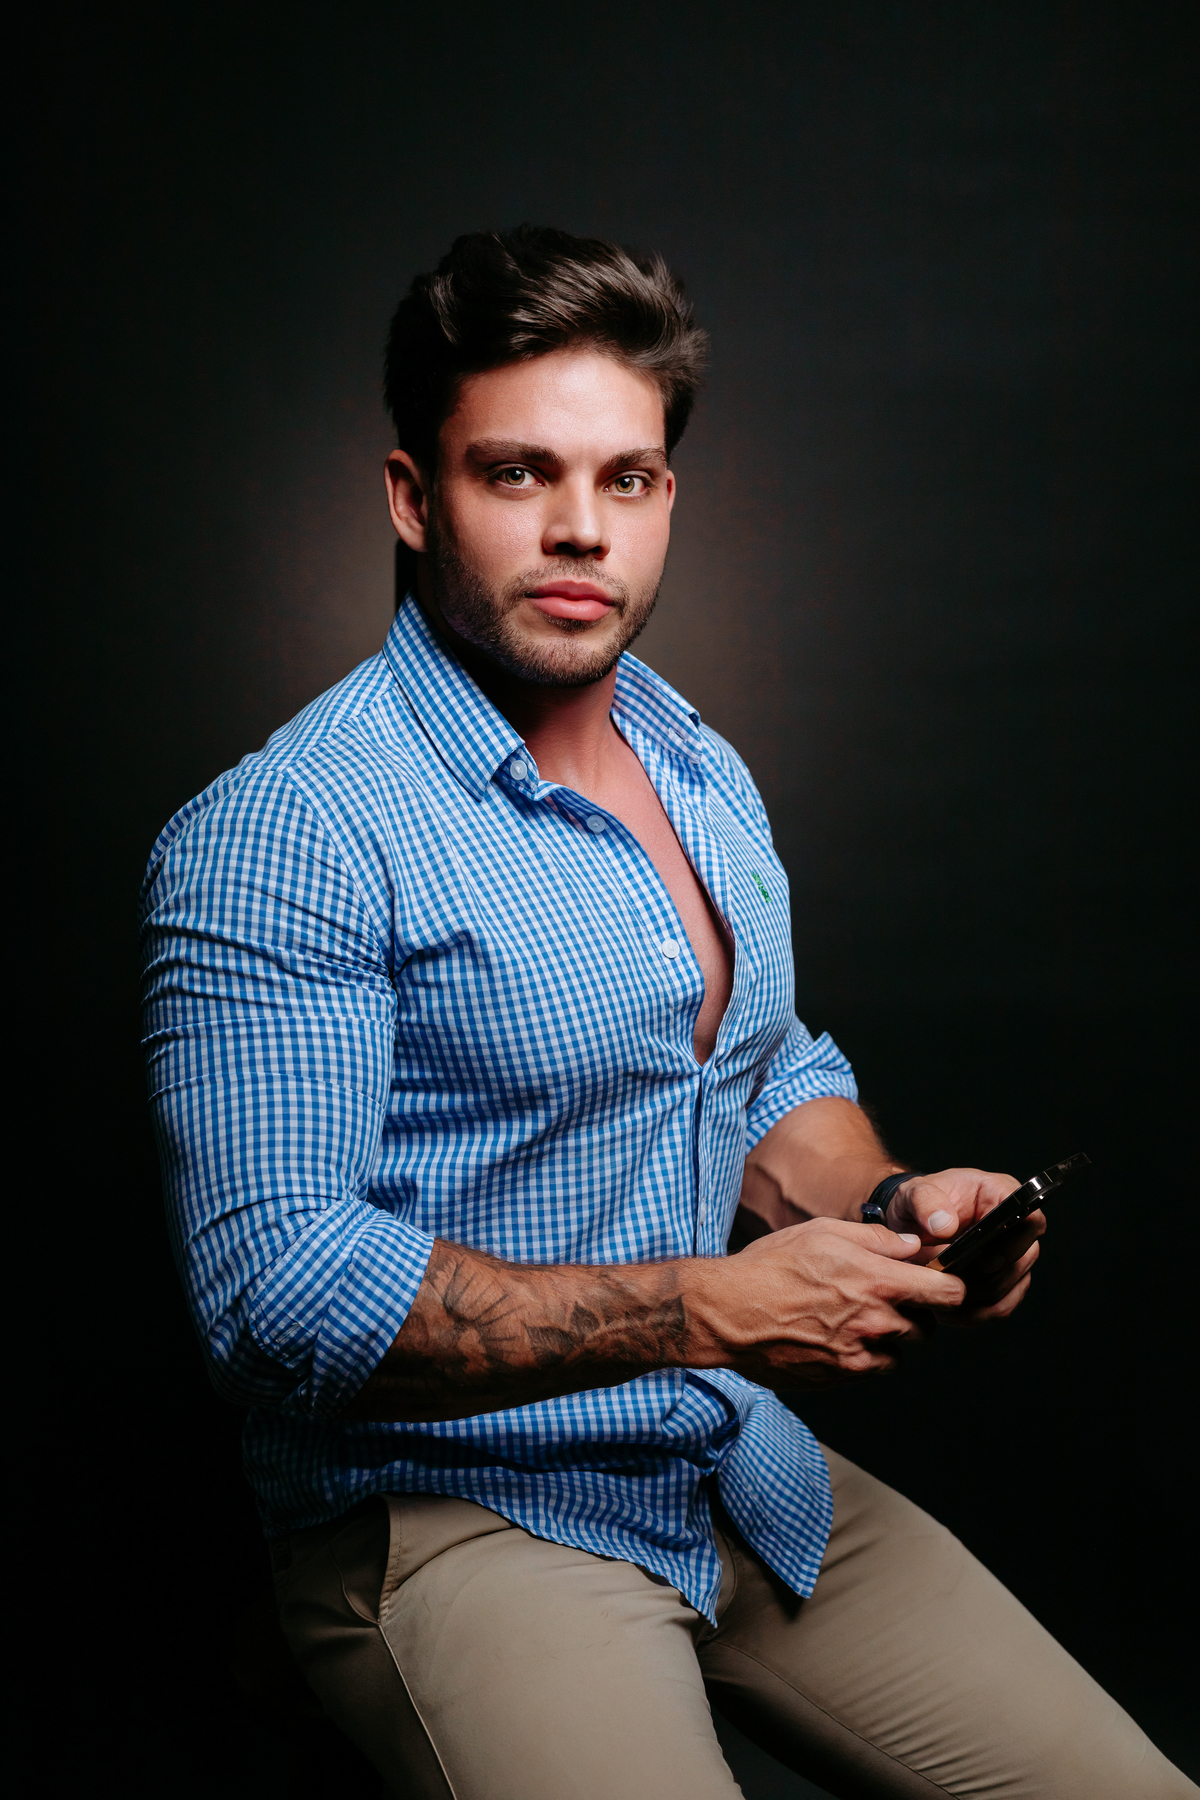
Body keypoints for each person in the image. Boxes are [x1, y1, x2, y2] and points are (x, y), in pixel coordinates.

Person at [140, 226, 1192, 1799]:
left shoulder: (697, 764)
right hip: (463, 1516)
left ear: (667, 497)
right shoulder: (287, 832)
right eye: (518, 474)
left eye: (625, 478)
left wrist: (891, 1203)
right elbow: (277, 1298)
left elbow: (760, 1074)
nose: (582, 528)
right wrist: (714, 1308)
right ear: (414, 498)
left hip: (719, 1458)